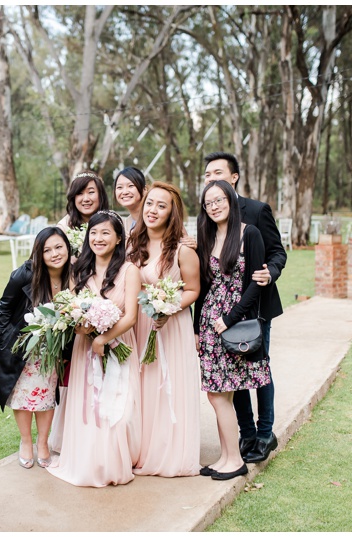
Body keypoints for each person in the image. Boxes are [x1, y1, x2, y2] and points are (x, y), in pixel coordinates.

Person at [47, 211, 142, 487]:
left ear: (119, 238)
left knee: (118, 408)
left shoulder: (130, 271)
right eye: (94, 233)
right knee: (88, 406)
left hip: (119, 345)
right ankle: (89, 461)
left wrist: (103, 338)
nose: (98, 238)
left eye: (105, 233)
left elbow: (131, 317)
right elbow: (70, 308)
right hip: (84, 349)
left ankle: (113, 463)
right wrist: (82, 328)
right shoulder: (79, 269)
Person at [202, 152, 286, 463]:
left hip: (256, 307)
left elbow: (277, 252)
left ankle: (265, 434)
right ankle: (246, 433)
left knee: (257, 367)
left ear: (234, 177)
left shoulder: (256, 211)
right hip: (221, 309)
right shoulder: (208, 219)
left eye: (218, 173)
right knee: (232, 373)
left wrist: (269, 273)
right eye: (207, 175)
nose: (212, 178)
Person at [194, 180, 271, 480]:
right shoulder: (207, 236)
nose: (214, 206)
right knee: (219, 395)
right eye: (208, 203)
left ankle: (235, 461)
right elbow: (203, 287)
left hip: (232, 323)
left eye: (219, 200)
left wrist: (230, 318)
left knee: (220, 395)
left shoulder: (248, 234)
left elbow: (255, 284)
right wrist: (196, 329)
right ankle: (225, 456)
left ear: (230, 200)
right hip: (209, 324)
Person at [0, 227, 73, 469]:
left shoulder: (74, 276)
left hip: (52, 351)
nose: (54, 254)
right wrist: (6, 342)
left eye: (59, 247)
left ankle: (43, 442)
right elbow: (3, 308)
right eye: (47, 250)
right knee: (23, 397)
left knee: (46, 397)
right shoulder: (25, 274)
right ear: (39, 253)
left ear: (67, 247)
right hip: (23, 348)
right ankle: (26, 441)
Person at [128, 182, 201, 477]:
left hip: (170, 326)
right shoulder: (132, 245)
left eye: (161, 206)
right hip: (139, 324)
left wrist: (167, 309)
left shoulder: (183, 250)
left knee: (167, 386)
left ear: (172, 212)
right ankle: (141, 450)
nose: (153, 210)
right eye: (150, 203)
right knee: (142, 386)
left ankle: (169, 453)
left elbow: (193, 289)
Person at [49, 170, 109, 454]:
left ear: (100, 194)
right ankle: (71, 435)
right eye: (80, 193)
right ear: (72, 197)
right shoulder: (63, 227)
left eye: (91, 192)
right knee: (71, 373)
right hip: (74, 305)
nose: (86, 198)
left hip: (106, 302)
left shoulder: (111, 222)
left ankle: (102, 435)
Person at [114, 166, 147, 238]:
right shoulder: (122, 225)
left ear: (144, 190)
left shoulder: (152, 219)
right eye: (120, 187)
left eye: (131, 186)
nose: (125, 192)